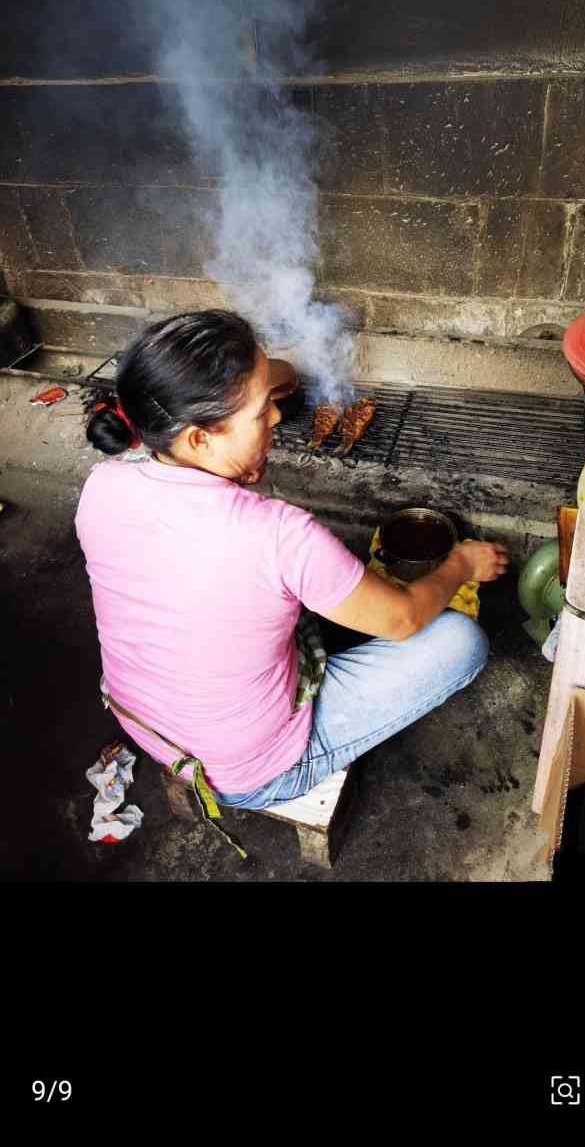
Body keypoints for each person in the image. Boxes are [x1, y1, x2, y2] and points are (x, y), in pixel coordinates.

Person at [75, 309, 509, 823]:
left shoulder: (103, 484)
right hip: (248, 771)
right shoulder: (279, 535)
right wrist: (460, 563)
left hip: (148, 724)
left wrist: (263, 375)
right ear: (199, 438)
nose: (278, 417)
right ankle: (289, 770)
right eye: (262, 412)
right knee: (461, 640)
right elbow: (403, 619)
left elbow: (277, 377)